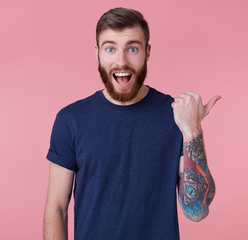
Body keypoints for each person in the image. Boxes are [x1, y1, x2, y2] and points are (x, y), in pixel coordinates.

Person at [43, 7, 220, 240]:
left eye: (132, 49)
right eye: (110, 49)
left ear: (147, 52)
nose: (121, 61)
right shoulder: (71, 120)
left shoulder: (175, 117)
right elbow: (56, 207)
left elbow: (196, 210)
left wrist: (192, 131)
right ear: (97, 53)